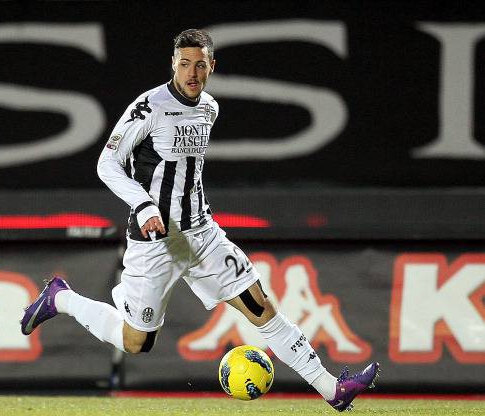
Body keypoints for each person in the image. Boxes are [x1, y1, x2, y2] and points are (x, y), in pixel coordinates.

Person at [21, 28, 379, 412]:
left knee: (261, 307)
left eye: (200, 65)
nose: (191, 73)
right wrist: (144, 205)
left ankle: (332, 389)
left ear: (212, 66)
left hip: (202, 234)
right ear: (173, 64)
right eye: (184, 64)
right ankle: (61, 298)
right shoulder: (149, 106)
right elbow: (107, 163)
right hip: (156, 241)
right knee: (137, 341)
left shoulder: (209, 107)